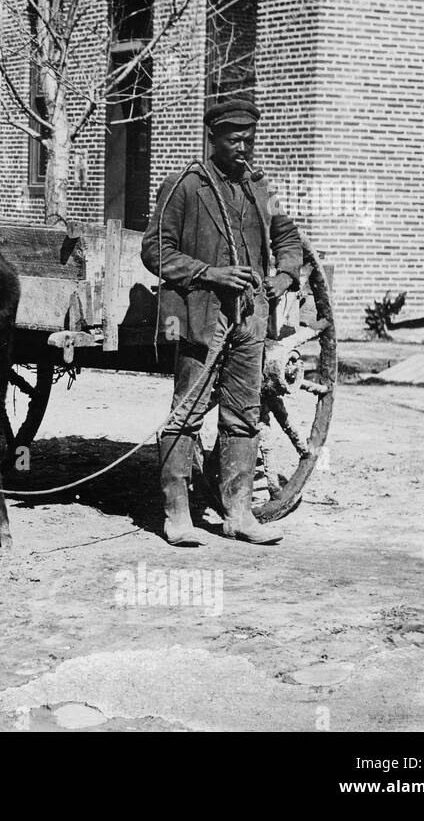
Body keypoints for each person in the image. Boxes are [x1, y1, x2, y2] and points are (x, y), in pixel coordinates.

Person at [141, 98, 303, 547]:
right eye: (234, 138)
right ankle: (176, 516)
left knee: (244, 415)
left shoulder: (259, 187)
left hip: (251, 319)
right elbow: (155, 251)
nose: (243, 146)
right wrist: (210, 274)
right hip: (200, 319)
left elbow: (289, 238)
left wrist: (284, 275)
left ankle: (238, 514)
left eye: (249, 138)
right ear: (212, 138)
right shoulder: (186, 186)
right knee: (186, 413)